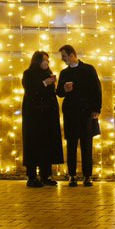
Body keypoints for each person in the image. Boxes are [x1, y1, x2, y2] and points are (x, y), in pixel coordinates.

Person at [56, 45, 102, 187]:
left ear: (72, 55)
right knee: (71, 145)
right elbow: (59, 92)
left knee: (86, 145)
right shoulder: (64, 73)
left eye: (64, 56)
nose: (62, 59)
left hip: (86, 113)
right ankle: (72, 175)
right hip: (70, 113)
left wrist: (96, 109)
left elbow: (96, 89)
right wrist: (64, 89)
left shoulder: (88, 69)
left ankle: (87, 175)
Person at [21, 51, 62, 187]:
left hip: (48, 116)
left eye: (47, 60)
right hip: (34, 116)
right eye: (44, 60)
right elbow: (30, 90)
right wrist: (45, 83)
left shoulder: (48, 74)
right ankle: (32, 176)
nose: (46, 63)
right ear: (37, 61)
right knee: (33, 144)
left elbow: (52, 93)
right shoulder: (28, 74)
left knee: (47, 143)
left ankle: (45, 175)